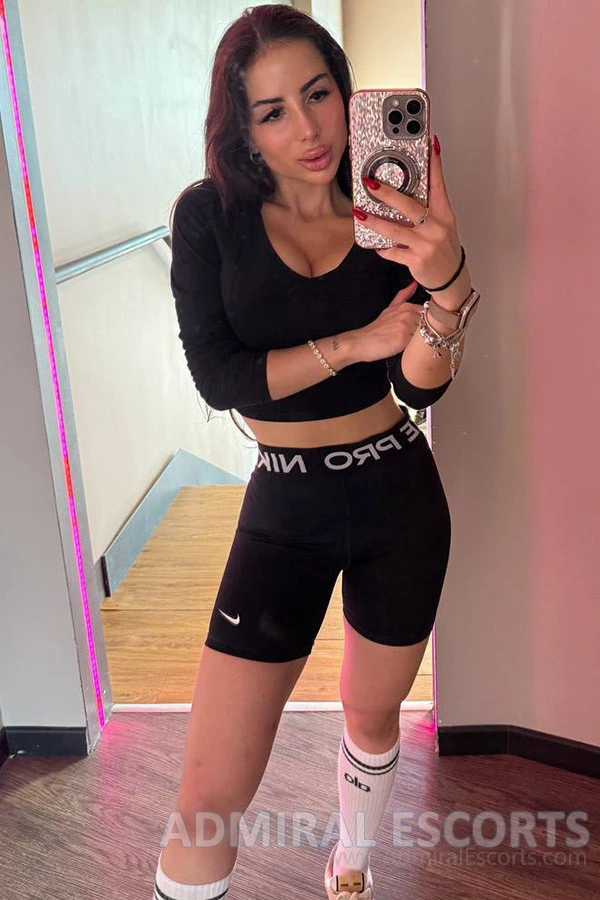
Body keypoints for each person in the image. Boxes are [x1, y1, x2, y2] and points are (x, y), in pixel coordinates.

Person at [153, 6, 479, 899]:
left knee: (372, 716)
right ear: (243, 129)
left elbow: (417, 387)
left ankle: (353, 868)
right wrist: (357, 342)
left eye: (318, 94)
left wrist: (448, 287)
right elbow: (223, 379)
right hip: (285, 506)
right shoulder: (209, 218)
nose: (307, 129)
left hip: (398, 496)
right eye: (272, 112)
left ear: (345, 91)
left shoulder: (389, 213)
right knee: (207, 799)